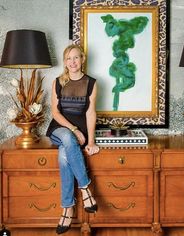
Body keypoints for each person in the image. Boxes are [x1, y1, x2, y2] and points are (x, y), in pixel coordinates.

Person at [46, 44, 99, 234]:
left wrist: (91, 141)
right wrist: (74, 129)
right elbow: (55, 113)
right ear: (65, 61)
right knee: (68, 138)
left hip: (81, 132)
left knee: (64, 155)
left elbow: (91, 113)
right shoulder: (58, 82)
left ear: (82, 59)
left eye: (76, 57)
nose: (72, 62)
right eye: (69, 58)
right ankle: (86, 188)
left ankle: (67, 208)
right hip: (59, 128)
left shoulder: (91, 83)